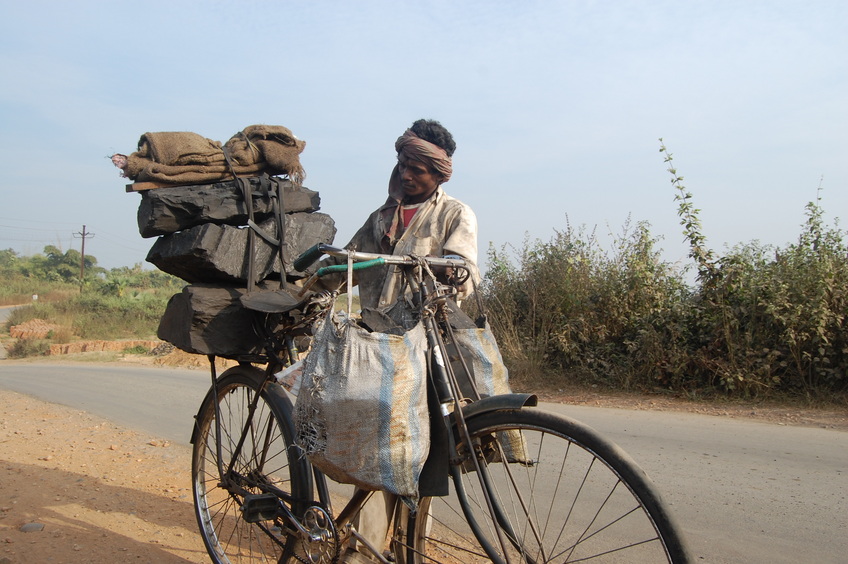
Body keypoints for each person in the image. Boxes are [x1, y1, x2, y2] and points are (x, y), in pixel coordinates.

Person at [331, 119, 480, 562]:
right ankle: (365, 549)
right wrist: (312, 283)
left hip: (430, 349)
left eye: (418, 167)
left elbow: (464, 272)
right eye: (403, 164)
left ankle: (408, 548)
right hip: (379, 349)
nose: (408, 174)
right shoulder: (380, 218)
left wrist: (447, 270)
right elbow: (345, 267)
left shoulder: (455, 214)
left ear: (439, 173)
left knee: (422, 457)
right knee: (378, 452)